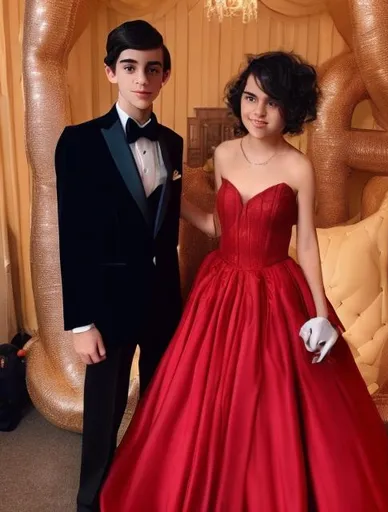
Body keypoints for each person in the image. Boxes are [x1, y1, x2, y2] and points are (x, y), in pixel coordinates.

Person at [100, 51, 388, 511]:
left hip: (275, 288)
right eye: (250, 97)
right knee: (197, 399)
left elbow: (305, 245)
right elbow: (219, 228)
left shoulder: (299, 168)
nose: (258, 112)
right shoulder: (223, 154)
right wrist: (165, 195)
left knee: (279, 401)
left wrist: (322, 315)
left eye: (272, 101)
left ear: (294, 108)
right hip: (219, 288)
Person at [55, 20, 192, 512]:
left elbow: (166, 217)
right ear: (111, 72)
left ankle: (148, 490)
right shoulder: (78, 142)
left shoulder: (173, 143)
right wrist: (80, 320)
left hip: (160, 299)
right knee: (103, 412)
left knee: (160, 405)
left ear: (164, 76)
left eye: (152, 69)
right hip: (106, 304)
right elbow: (72, 236)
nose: (141, 78)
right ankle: (90, 500)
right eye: (130, 67)